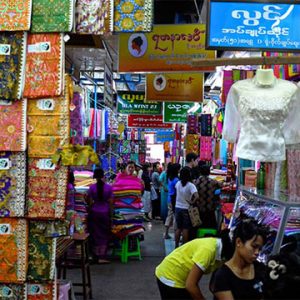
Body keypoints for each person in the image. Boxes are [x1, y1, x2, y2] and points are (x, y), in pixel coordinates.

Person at [155, 229, 234, 300]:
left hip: (175, 274)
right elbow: (190, 285)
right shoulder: (208, 250)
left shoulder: (222, 254)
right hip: (170, 276)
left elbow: (214, 284)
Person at [210, 218, 269, 300]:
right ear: (239, 242)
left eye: (259, 249)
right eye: (254, 247)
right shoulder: (222, 276)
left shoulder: (260, 269)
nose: (257, 252)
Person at [86, 168, 113, 264]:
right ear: (103, 176)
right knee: (104, 234)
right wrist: (111, 214)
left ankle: (96, 255)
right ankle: (102, 256)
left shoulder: (92, 188)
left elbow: (89, 202)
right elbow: (110, 203)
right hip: (105, 213)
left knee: (95, 234)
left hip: (94, 212)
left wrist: (90, 210)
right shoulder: (109, 188)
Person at [175, 167, 199, 247]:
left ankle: (176, 246)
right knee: (185, 228)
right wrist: (192, 202)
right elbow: (197, 196)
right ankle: (184, 247)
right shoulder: (191, 185)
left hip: (177, 208)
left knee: (178, 228)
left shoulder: (178, 184)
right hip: (186, 209)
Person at [195, 165, 224, 229]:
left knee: (200, 227)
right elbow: (222, 185)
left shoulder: (196, 182)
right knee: (210, 227)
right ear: (209, 172)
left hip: (200, 208)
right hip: (210, 207)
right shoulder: (212, 182)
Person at [164, 163, 180, 239]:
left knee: (169, 215)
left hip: (169, 198)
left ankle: (166, 233)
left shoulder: (170, 178)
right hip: (174, 199)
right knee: (175, 217)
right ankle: (175, 235)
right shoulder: (176, 180)